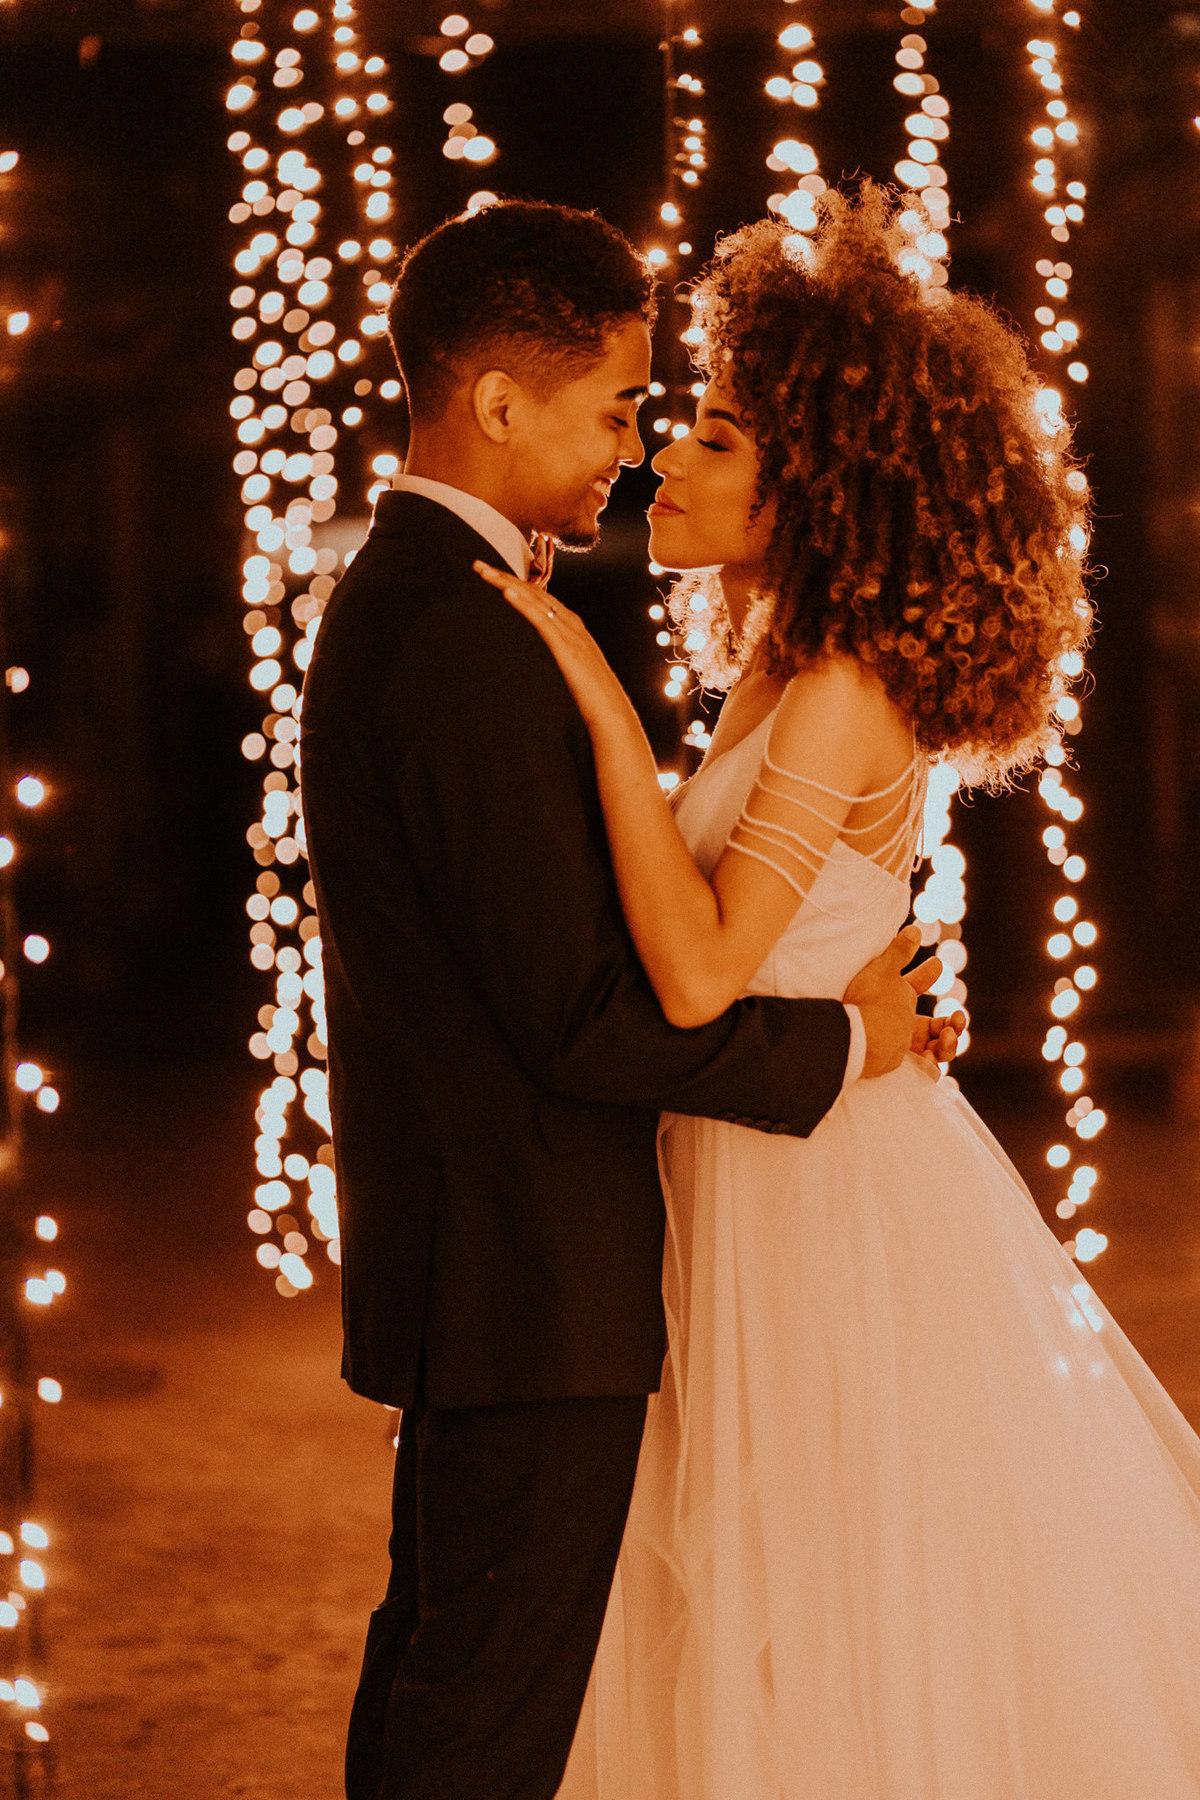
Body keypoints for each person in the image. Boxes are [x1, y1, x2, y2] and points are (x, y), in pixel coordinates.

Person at [476, 186, 1200, 1798]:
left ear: (822, 484)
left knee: (818, 1588)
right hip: (754, 1151)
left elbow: (702, 962)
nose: (667, 455)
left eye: (716, 437)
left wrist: (593, 694)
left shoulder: (843, 694)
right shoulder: (781, 667)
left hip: (815, 1198)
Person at [299, 198, 949, 1800]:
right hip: (529, 1272)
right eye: (617, 410)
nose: (634, 452)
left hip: (536, 1262)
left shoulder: (445, 606)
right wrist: (853, 1037)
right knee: (482, 1707)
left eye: (669, 423)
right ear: (501, 401)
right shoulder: (463, 633)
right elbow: (585, 1014)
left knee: (467, 1670)